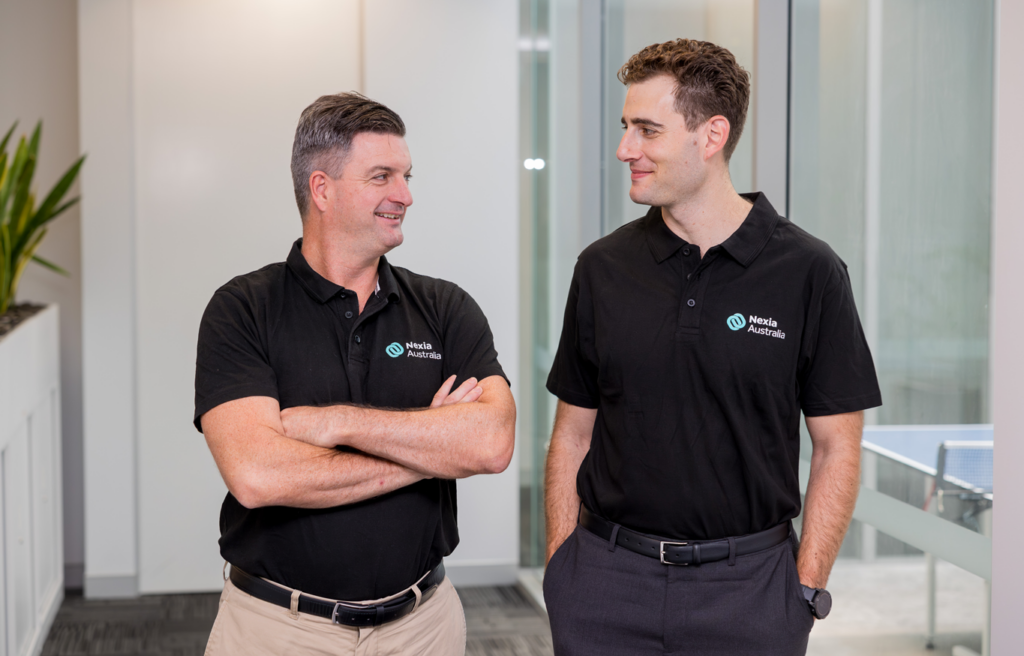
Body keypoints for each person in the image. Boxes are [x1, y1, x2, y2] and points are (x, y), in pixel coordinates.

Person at [543, 39, 882, 655]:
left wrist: (803, 591)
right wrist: (563, 571)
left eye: (647, 130)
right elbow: (573, 434)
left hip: (751, 594)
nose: (626, 149)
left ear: (712, 134)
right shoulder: (601, 268)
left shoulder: (810, 271)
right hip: (604, 585)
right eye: (626, 128)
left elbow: (838, 446)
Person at [194, 92, 515, 656]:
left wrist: (336, 423)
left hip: (424, 628)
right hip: (279, 630)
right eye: (382, 176)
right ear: (322, 189)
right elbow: (257, 475)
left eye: (407, 176)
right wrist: (428, 451)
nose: (406, 195)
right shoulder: (243, 308)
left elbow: (489, 444)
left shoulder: (445, 307)